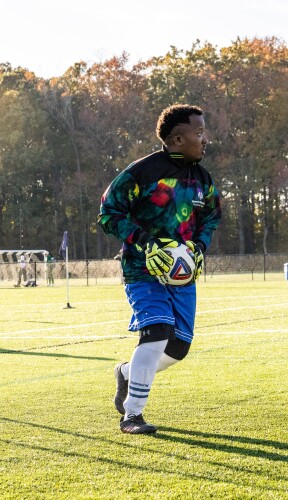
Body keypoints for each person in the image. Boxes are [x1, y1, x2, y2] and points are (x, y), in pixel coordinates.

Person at [98, 104, 222, 434]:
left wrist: (198, 247)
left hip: (183, 276)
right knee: (156, 332)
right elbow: (109, 214)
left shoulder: (202, 177)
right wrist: (145, 242)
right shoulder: (141, 172)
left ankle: (126, 373)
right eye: (199, 133)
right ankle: (132, 416)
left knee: (178, 349)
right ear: (178, 139)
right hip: (143, 269)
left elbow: (211, 217)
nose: (205, 139)